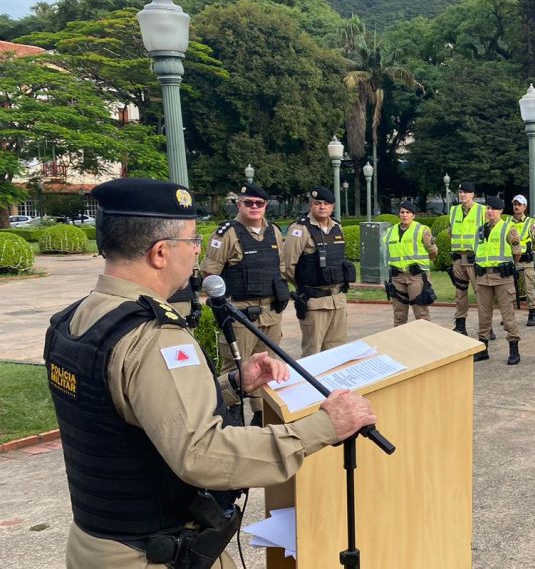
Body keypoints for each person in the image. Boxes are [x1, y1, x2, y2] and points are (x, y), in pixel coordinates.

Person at [45, 178, 376, 568]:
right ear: (160, 252)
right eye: (192, 241)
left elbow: (133, 412)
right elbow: (202, 454)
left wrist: (234, 385)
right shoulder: (153, 338)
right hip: (152, 552)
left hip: (96, 543)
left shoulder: (73, 320)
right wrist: (323, 427)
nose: (198, 251)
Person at [202, 182, 289, 374]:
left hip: (271, 316)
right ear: (238, 204)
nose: (255, 207)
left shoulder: (273, 231)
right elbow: (209, 275)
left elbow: (280, 267)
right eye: (249, 203)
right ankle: (233, 406)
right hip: (240, 317)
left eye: (260, 203)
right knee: (236, 374)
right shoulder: (226, 234)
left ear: (266, 205)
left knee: (268, 371)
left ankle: (261, 406)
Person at [281, 187, 354, 357]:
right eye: (317, 203)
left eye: (326, 203)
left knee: (338, 352)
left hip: (338, 300)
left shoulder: (338, 227)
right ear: (310, 205)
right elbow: (287, 266)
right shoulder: (300, 229)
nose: (322, 207)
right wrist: (305, 284)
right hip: (314, 302)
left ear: (333, 207)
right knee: (313, 354)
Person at [473, 196, 524, 365]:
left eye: (493, 209)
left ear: (501, 211)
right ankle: (482, 349)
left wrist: (508, 266)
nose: (489, 212)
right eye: (487, 208)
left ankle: (514, 350)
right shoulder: (480, 230)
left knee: (507, 315)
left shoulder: (508, 228)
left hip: (502, 278)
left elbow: (517, 252)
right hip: (483, 277)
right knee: (483, 314)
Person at [385, 201, 438, 326]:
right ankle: (401, 343)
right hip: (397, 277)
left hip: (416, 277)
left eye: (408, 212)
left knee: (421, 314)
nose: (404, 215)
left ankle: (425, 343)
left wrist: (421, 265)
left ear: (413, 215)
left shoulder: (421, 230)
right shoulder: (390, 231)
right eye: (402, 212)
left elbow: (433, 251)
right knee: (399, 315)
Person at [447, 182, 486, 336]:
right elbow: (451, 232)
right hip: (458, 259)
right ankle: (460, 325)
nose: (462, 194)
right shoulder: (454, 211)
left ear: (473, 195)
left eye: (466, 192)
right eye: (460, 192)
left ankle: (485, 327)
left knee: (481, 294)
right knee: (460, 293)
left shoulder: (482, 211)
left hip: (474, 259)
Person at [509, 195, 535, 327]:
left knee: (529, 289)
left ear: (524, 207)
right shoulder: (508, 223)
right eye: (515, 204)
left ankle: (531, 314)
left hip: (526, 261)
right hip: (512, 261)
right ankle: (509, 315)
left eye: (519, 204)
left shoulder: (530, 223)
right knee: (509, 290)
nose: (516, 207)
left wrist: (532, 252)